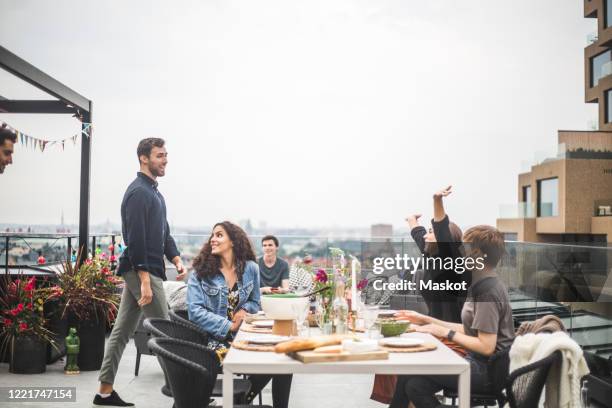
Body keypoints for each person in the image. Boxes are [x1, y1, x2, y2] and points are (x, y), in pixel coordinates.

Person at [94, 138, 187, 407]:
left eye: (166, 154)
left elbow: (163, 233)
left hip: (145, 271)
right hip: (141, 272)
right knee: (167, 333)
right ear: (143, 158)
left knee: (121, 331)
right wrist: (145, 281)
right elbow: (135, 240)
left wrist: (177, 259)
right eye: (160, 155)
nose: (165, 159)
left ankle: (104, 392)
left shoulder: (155, 193)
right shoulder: (138, 193)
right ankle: (186, 395)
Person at [390, 225, 515, 408]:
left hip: (487, 372)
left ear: (477, 254)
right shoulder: (483, 283)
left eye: (464, 248)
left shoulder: (487, 292)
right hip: (480, 365)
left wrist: (444, 332)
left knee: (410, 370)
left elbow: (487, 346)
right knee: (415, 386)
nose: (460, 252)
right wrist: (426, 320)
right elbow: (471, 330)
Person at [188, 222, 292, 408]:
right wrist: (229, 325)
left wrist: (245, 311)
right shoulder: (201, 272)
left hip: (242, 336)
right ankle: (241, 399)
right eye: (212, 235)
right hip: (210, 343)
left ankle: (241, 399)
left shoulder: (251, 268)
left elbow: (255, 301)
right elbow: (195, 312)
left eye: (219, 235)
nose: (213, 239)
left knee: (283, 359)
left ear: (233, 242)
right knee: (276, 361)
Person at [405, 186, 467, 323]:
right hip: (435, 327)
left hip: (454, 331)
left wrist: (437, 200)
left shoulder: (451, 260)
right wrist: (411, 220)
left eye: (431, 232)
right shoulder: (431, 255)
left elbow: (441, 227)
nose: (426, 236)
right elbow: (419, 236)